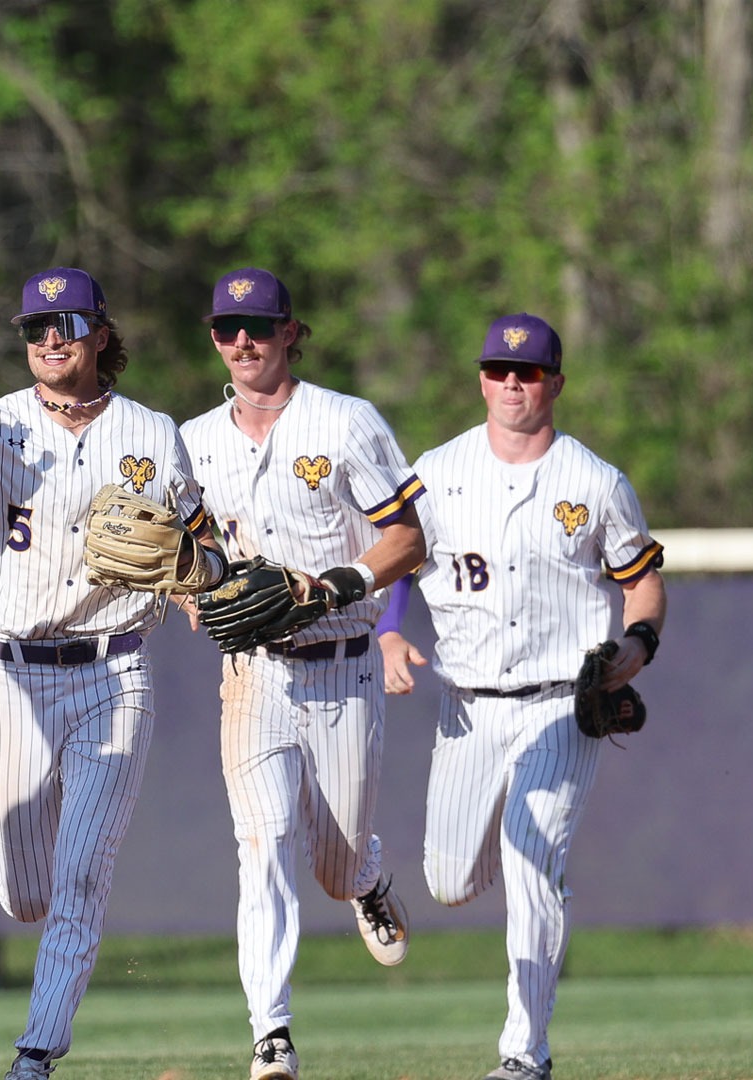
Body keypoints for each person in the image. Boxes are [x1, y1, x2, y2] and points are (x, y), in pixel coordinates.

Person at [0, 267, 227, 1080]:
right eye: (34, 327)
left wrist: (204, 579)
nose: (49, 338)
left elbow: (203, 553)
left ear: (100, 332)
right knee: (28, 893)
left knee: (81, 877)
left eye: (64, 323)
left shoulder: (153, 432)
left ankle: (35, 1054)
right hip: (14, 677)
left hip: (115, 671)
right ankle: (35, 941)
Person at [377, 313, 667, 1080]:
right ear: (481, 379)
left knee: (533, 865)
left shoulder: (595, 481)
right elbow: (401, 557)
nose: (513, 383)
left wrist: (638, 646)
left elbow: (640, 582)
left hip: (560, 702)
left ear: (556, 383)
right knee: (449, 883)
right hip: (467, 703)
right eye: (500, 370)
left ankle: (524, 1055)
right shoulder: (436, 471)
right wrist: (390, 631)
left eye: (530, 371)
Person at [178, 267, 427, 1080]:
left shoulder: (347, 422)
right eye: (226, 327)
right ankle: (270, 1033)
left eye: (257, 325)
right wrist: (195, 593)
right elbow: (195, 559)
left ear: (292, 332)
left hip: (344, 664)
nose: (241, 340)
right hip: (254, 673)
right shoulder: (193, 441)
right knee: (265, 843)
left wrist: (336, 586)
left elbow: (406, 540)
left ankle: (367, 876)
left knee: (335, 864)